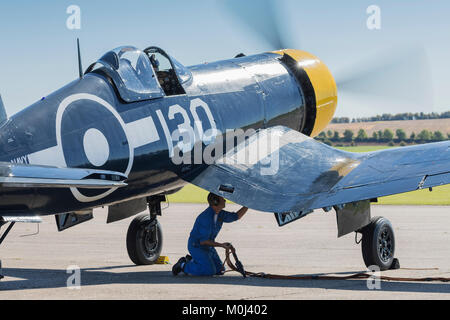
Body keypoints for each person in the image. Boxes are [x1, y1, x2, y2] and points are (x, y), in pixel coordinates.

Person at [172, 193, 248, 276]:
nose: (225, 200)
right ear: (216, 202)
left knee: (220, 269)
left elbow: (235, 216)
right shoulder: (206, 218)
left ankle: (194, 260)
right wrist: (222, 245)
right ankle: (183, 265)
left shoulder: (219, 213)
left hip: (208, 246)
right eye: (222, 199)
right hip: (197, 246)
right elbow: (203, 241)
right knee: (209, 271)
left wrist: (248, 205)